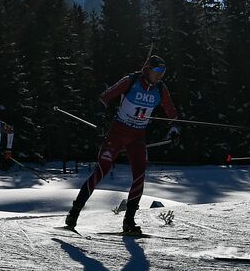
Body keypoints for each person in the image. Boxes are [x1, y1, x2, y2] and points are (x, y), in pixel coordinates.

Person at [65, 55, 179, 236]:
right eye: (157, 71)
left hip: (137, 137)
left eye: (163, 73)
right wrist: (100, 116)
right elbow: (104, 98)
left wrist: (173, 128)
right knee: (101, 170)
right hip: (117, 134)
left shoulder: (160, 89)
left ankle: (129, 221)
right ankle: (74, 214)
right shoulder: (131, 81)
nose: (159, 76)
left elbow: (170, 110)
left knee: (140, 173)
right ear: (147, 68)